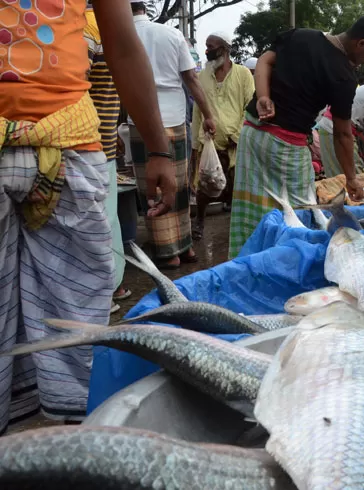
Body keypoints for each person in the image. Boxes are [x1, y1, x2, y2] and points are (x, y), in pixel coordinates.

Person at [0, 0, 176, 433]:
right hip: (70, 143)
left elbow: (123, 47)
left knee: (79, 309)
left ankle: (74, 431)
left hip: (72, 142)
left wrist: (157, 148)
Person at [228, 15, 364, 258]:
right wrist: (351, 179)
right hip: (286, 149)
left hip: (252, 134)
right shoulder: (343, 76)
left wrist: (263, 96)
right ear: (361, 43)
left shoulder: (302, 36)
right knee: (302, 211)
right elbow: (342, 134)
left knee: (252, 205)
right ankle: (285, 262)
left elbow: (265, 60)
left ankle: (245, 260)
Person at [130, 1, 216, 268]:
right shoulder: (172, 34)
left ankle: (168, 252)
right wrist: (209, 114)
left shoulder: (120, 34)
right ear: (146, 8)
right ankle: (185, 246)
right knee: (178, 185)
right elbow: (191, 79)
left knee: (152, 187)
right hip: (175, 118)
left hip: (141, 120)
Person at [83, 5, 131, 313]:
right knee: (107, 217)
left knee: (94, 221)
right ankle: (113, 287)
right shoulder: (107, 28)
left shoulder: (85, 25)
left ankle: (102, 293)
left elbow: (77, 86)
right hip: (103, 144)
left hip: (84, 145)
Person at [191, 31, 255, 240]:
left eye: (211, 47)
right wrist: (195, 144)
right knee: (204, 188)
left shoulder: (243, 74)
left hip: (235, 144)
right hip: (209, 143)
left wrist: (236, 134)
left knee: (236, 187)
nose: (207, 50)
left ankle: (237, 228)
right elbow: (197, 111)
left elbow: (250, 107)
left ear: (225, 49)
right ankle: (199, 222)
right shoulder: (202, 76)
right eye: (206, 46)